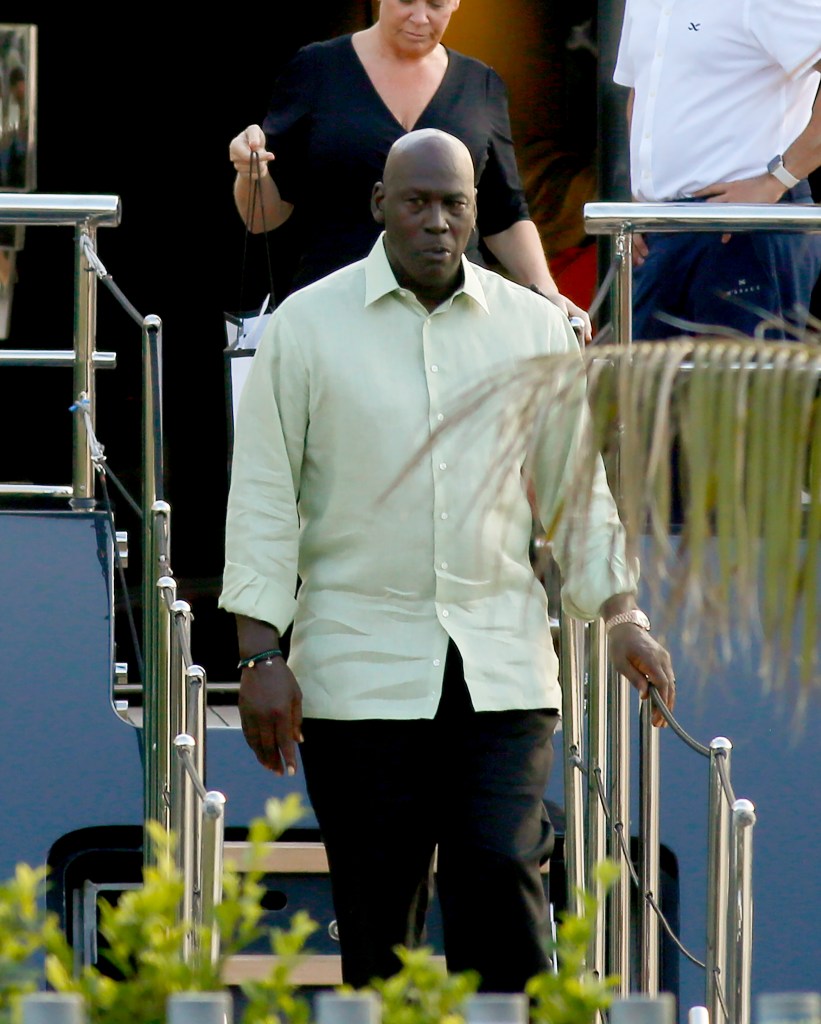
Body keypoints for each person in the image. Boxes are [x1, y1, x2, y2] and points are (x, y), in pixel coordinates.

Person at [219, 129, 676, 992]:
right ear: (379, 206)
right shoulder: (305, 328)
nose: (437, 221)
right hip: (356, 669)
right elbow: (265, 498)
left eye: (455, 203)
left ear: (477, 211)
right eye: (418, 201)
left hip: (499, 666)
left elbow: (576, 490)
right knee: (376, 915)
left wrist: (620, 615)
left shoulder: (536, 328)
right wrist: (259, 653)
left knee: (500, 873)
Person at [228, 0, 592, 338]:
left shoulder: (481, 84)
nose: (420, 18)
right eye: (406, 1)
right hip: (338, 312)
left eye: (435, 3)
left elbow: (505, 213)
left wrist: (547, 293)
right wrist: (251, 172)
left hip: (454, 313)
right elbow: (261, 218)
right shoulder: (316, 69)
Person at [613, 0, 821, 340]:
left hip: (748, 229)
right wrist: (639, 202)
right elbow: (644, 95)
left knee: (743, 390)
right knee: (645, 388)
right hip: (660, 228)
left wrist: (775, 181)